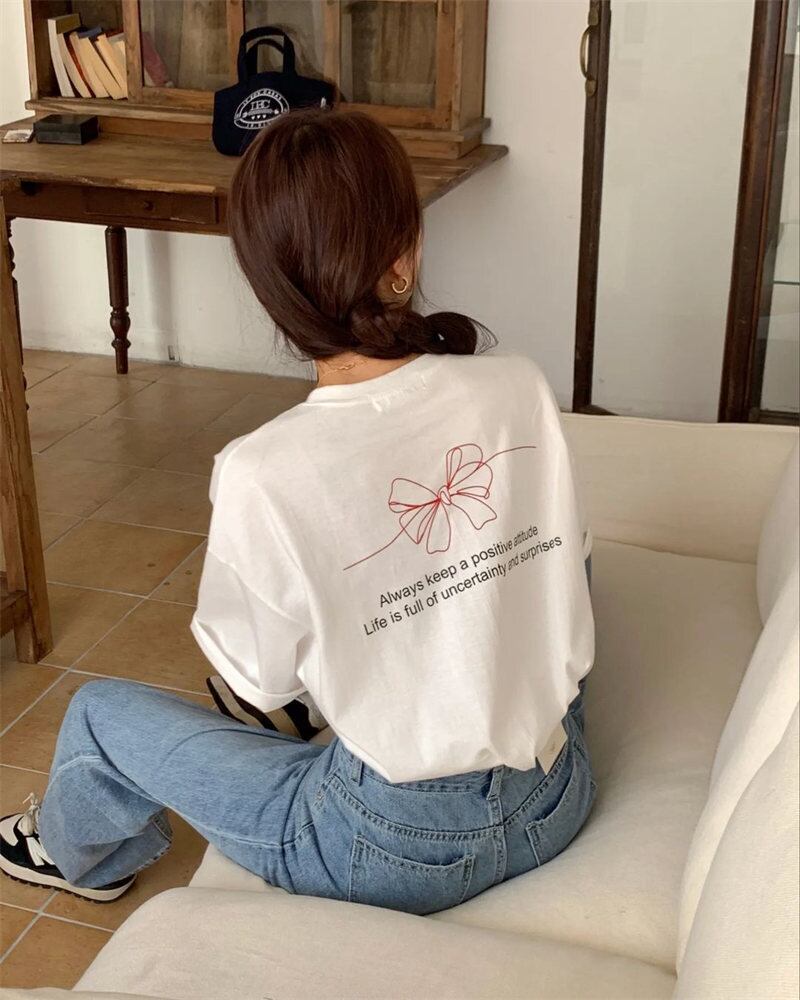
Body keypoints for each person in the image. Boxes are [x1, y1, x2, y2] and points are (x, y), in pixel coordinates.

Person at [0, 108, 596, 915]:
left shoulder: (263, 471)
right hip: (559, 792)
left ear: (265, 285)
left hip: (395, 850)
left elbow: (258, 680)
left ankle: (76, 856)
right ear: (405, 254)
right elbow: (566, 568)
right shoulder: (518, 384)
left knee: (100, 716)